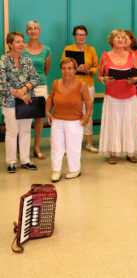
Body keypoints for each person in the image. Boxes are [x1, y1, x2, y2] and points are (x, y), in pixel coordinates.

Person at [97, 29, 137, 164]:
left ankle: (131, 151)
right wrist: (104, 80)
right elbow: (99, 76)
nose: (121, 40)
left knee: (130, 123)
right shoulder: (105, 56)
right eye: (118, 37)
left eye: (123, 38)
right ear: (111, 40)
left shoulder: (132, 55)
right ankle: (113, 152)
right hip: (112, 96)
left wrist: (133, 80)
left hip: (129, 95)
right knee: (114, 123)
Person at [46, 58, 92, 182]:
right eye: (64, 68)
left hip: (75, 121)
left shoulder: (81, 84)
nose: (67, 71)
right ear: (61, 70)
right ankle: (56, 170)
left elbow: (88, 101)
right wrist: (47, 112)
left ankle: (75, 169)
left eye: (70, 68)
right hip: (57, 120)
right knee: (56, 146)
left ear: (75, 69)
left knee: (74, 147)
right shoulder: (56, 83)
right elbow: (50, 99)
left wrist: (87, 115)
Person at [0, 32, 39, 173]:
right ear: (10, 44)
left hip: (26, 100)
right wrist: (17, 93)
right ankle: (11, 162)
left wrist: (24, 89)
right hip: (9, 101)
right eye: (17, 41)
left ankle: (25, 160)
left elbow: (35, 78)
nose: (21, 44)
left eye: (22, 41)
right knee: (12, 132)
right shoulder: (3, 60)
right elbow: (1, 82)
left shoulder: (27, 60)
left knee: (26, 131)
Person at [62, 25, 99, 153]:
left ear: (86, 36)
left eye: (83, 35)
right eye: (78, 34)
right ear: (74, 36)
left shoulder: (91, 49)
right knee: (71, 112)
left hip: (88, 84)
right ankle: (70, 144)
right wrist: (76, 69)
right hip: (72, 84)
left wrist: (87, 70)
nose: (81, 37)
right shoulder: (68, 49)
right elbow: (64, 65)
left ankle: (89, 143)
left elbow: (96, 67)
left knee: (88, 112)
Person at [23, 20, 52, 160]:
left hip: (41, 86)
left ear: (39, 31)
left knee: (39, 119)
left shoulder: (47, 50)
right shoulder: (20, 48)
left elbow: (45, 71)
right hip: (24, 87)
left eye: (36, 28)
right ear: (27, 31)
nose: (33, 31)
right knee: (25, 119)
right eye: (30, 28)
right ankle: (24, 149)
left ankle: (36, 147)